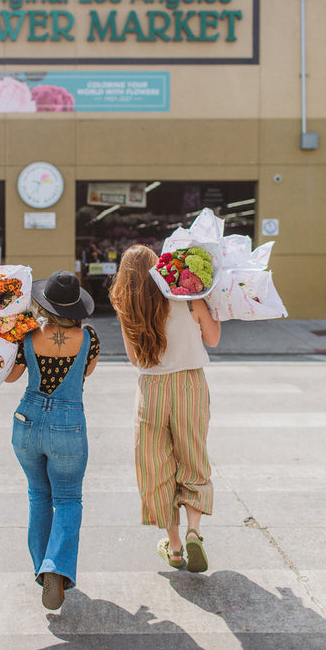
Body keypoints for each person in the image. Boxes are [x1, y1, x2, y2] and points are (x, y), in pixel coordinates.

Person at [109, 244, 221, 574]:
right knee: (193, 457)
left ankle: (173, 546)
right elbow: (212, 339)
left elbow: (134, 360)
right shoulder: (189, 300)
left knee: (156, 466)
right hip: (190, 385)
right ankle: (193, 531)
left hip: (152, 389)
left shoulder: (127, 307)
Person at [5, 270, 100, 610]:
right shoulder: (89, 339)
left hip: (27, 422)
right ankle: (56, 567)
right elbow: (86, 373)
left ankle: (43, 570)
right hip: (67, 425)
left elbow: (11, 377)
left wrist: (7, 335)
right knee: (69, 499)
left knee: (38, 496)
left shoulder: (27, 336)